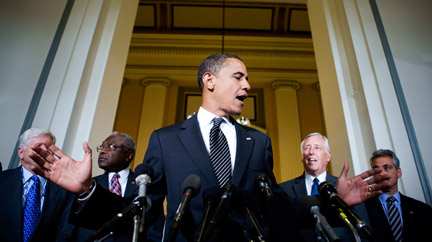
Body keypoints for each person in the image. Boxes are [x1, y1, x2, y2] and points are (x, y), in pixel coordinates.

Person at [26, 54, 390, 242]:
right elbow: (144, 209)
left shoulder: (258, 141)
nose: (248, 84)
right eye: (239, 76)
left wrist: (332, 200)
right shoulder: (166, 138)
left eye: (247, 78)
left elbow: (273, 208)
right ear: (209, 80)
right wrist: (89, 191)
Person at [70, 132, 164, 241]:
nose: (103, 151)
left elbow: (155, 230)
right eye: (102, 146)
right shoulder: (87, 185)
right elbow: (69, 229)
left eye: (111, 146)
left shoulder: (144, 186)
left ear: (128, 155)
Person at [279, 132, 371, 241]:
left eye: (317, 148)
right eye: (307, 148)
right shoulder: (283, 189)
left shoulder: (347, 188)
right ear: (302, 157)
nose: (311, 152)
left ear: (328, 156)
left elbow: (363, 233)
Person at [0, 128, 74, 242]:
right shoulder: (2, 180)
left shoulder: (65, 191)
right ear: (21, 152)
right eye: (38, 146)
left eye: (49, 148)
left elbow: (65, 234)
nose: (45, 151)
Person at [364, 149, 432, 242]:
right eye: (376, 170)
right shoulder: (363, 208)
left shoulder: (423, 209)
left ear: (398, 172)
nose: (382, 173)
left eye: (386, 168)